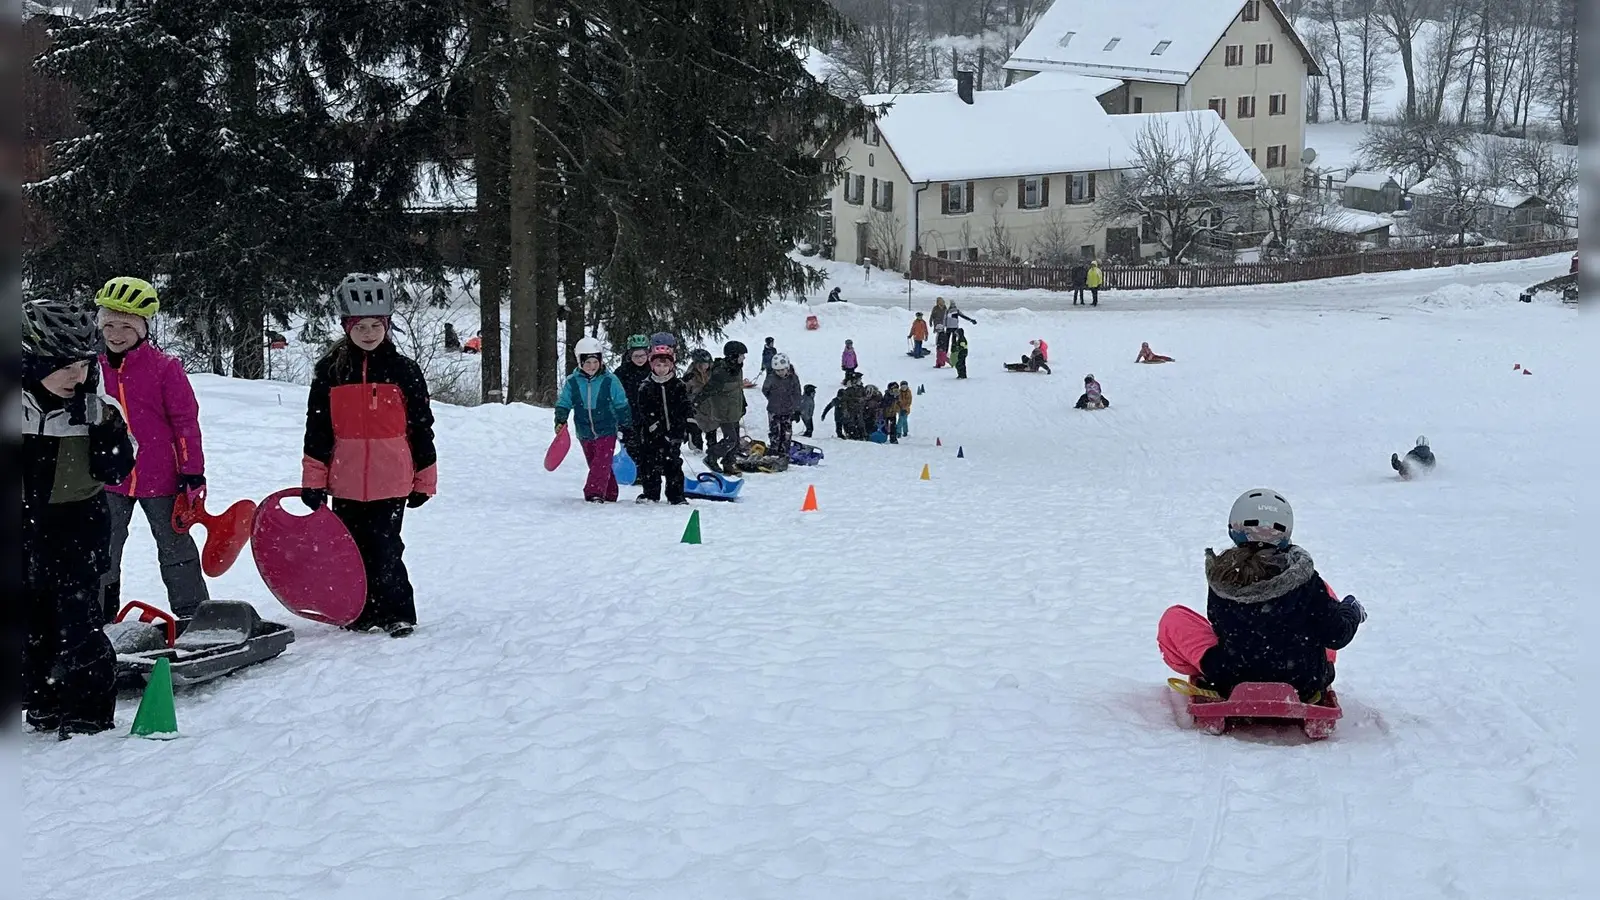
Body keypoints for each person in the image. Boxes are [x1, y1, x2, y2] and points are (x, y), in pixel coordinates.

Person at [22, 299, 137, 738]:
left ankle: (88, 715)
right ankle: (42, 703)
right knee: (30, 625)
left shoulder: (98, 407)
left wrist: (104, 429)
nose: (77, 375)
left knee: (79, 627)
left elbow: (117, 470)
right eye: (62, 365)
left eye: (84, 364)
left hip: (75, 531)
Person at [302, 274, 437, 637]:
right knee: (350, 552)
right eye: (359, 326)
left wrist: (424, 478)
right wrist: (313, 481)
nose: (367, 333)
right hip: (344, 481)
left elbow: (421, 427)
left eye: (375, 325)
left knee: (386, 548)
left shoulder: (403, 370)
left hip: (391, 479)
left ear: (387, 325)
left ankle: (396, 612)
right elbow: (317, 432)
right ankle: (359, 610)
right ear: (346, 326)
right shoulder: (330, 372)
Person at [1157, 489, 1366, 701]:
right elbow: (1337, 635)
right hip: (1303, 680)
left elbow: (1219, 625)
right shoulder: (1306, 580)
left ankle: (1217, 671)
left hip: (1230, 677)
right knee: (1325, 599)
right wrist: (1351, 610)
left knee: (1175, 618)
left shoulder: (1222, 575)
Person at [91, 277, 211, 623]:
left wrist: (192, 473)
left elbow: (186, 423)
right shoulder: (92, 367)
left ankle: (194, 615)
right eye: (108, 324)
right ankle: (98, 617)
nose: (116, 333)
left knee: (175, 550)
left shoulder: (165, 369)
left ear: (143, 328)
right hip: (108, 477)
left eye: (126, 326)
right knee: (102, 551)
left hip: (162, 477)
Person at [554, 336, 632, 503]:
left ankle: (594, 492)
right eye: (587, 363)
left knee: (601, 462)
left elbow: (621, 403)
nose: (592, 366)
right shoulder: (573, 382)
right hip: (584, 430)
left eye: (595, 362)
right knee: (595, 463)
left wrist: (625, 423)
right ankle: (610, 492)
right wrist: (561, 419)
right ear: (579, 362)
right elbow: (564, 402)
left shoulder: (610, 380)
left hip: (607, 428)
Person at [631, 345, 693, 504]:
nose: (661, 369)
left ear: (671, 366)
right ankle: (651, 494)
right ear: (652, 365)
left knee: (673, 464)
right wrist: (654, 426)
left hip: (674, 433)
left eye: (665, 365)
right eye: (658, 365)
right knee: (650, 464)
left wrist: (686, 425)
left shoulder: (678, 385)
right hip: (652, 434)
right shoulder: (646, 386)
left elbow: (684, 406)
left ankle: (676, 495)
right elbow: (643, 409)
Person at [697, 341, 749, 475]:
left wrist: (743, 404)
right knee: (730, 439)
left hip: (734, 410)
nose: (743, 358)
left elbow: (738, 390)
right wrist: (696, 403)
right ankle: (712, 456)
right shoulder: (721, 372)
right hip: (724, 411)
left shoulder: (737, 369)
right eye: (741, 355)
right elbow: (708, 389)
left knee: (735, 441)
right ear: (733, 356)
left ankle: (728, 464)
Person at [613, 334, 652, 478]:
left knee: (649, 445)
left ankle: (647, 471)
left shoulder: (653, 370)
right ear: (630, 355)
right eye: (636, 356)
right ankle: (635, 472)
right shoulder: (622, 372)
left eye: (643, 355)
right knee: (632, 445)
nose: (640, 359)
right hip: (628, 416)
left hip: (649, 416)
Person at [762, 353, 803, 454]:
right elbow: (765, 390)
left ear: (787, 368)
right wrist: (772, 398)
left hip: (788, 410)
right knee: (775, 431)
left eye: (782, 370)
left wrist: (797, 409)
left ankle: (784, 451)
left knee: (786, 432)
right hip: (773, 410)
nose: (780, 372)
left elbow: (797, 394)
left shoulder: (793, 378)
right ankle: (774, 449)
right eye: (777, 370)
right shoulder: (771, 378)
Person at [683, 348, 713, 452]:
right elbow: (685, 392)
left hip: (711, 407)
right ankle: (697, 448)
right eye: (702, 364)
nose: (705, 367)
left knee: (711, 429)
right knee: (697, 428)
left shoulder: (712, 373)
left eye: (707, 364)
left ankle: (712, 449)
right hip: (696, 407)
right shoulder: (690, 376)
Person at [931, 297, 950, 367]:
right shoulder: (935, 308)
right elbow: (932, 315)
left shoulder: (945, 308)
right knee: (938, 334)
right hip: (937, 322)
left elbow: (947, 315)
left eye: (942, 301)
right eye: (940, 301)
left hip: (942, 322)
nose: (941, 303)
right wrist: (931, 321)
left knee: (942, 335)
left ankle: (940, 344)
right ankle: (938, 343)